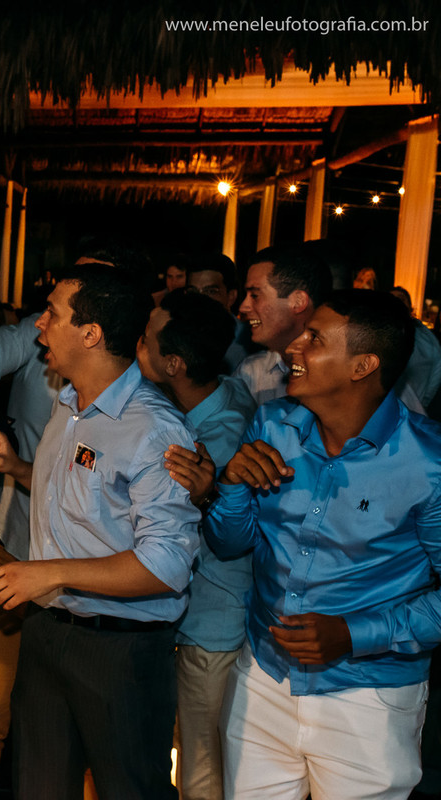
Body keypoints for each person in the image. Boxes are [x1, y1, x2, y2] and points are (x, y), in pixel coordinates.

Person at [0, 263, 199, 798]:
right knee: (40, 787)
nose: (39, 325)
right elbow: (92, 504)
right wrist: (19, 468)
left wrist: (46, 573)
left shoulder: (153, 429)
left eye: (52, 313)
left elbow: (167, 565)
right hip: (49, 631)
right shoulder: (69, 405)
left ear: (91, 334)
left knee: (129, 789)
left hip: (120, 653)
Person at [201, 289, 441, 798]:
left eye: (314, 339)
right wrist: (232, 485)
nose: (294, 348)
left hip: (368, 695)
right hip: (263, 676)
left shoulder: (429, 463)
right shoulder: (272, 426)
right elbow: (227, 544)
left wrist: (354, 634)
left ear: (363, 365)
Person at [137, 290, 258, 800]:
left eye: (144, 342)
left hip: (214, 623)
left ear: (174, 364)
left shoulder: (216, 439)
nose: (133, 346)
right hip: (210, 617)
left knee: (202, 768)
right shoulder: (224, 392)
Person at [233, 246, 333, 406]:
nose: (243, 307)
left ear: (298, 301)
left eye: (255, 296)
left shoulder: (339, 373)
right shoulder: (252, 373)